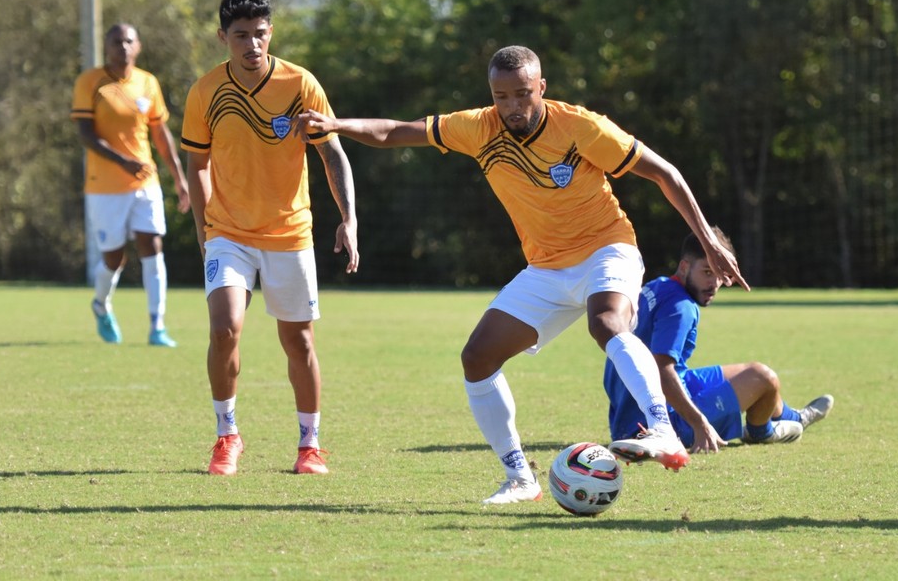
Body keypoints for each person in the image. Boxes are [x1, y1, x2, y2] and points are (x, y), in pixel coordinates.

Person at [298, 45, 748, 504]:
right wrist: (337, 125)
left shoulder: (580, 127)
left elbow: (665, 174)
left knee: (607, 322)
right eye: (501, 96)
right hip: (547, 268)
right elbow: (396, 131)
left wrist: (708, 241)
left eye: (522, 94)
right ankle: (520, 477)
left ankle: (663, 430)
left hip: (606, 250)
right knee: (477, 358)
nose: (512, 106)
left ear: (542, 88)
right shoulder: (477, 127)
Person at [181, 0, 358, 477]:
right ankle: (226, 436)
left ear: (270, 33)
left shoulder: (301, 83)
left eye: (260, 34)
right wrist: (205, 230)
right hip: (229, 232)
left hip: (290, 233)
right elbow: (197, 165)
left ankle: (309, 446)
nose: (252, 44)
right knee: (224, 328)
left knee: (299, 342)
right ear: (223, 38)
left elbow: (331, 153)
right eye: (241, 36)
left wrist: (350, 218)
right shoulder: (206, 91)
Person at [604, 229, 834, 452]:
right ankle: (761, 431)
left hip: (628, 415)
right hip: (660, 424)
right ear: (685, 267)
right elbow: (662, 371)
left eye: (720, 274)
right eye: (707, 272)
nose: (715, 283)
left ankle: (791, 418)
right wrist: (698, 422)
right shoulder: (680, 308)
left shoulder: (657, 286)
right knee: (764, 377)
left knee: (754, 374)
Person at [71, 23, 190, 347]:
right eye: (116, 41)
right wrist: (122, 161)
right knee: (114, 258)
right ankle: (101, 304)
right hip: (104, 186)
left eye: (128, 41)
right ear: (106, 46)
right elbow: (85, 134)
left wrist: (179, 178)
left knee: (152, 246)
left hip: (145, 182)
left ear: (137, 46)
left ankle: (157, 326)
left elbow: (160, 135)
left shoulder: (148, 82)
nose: (122, 46)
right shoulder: (90, 82)